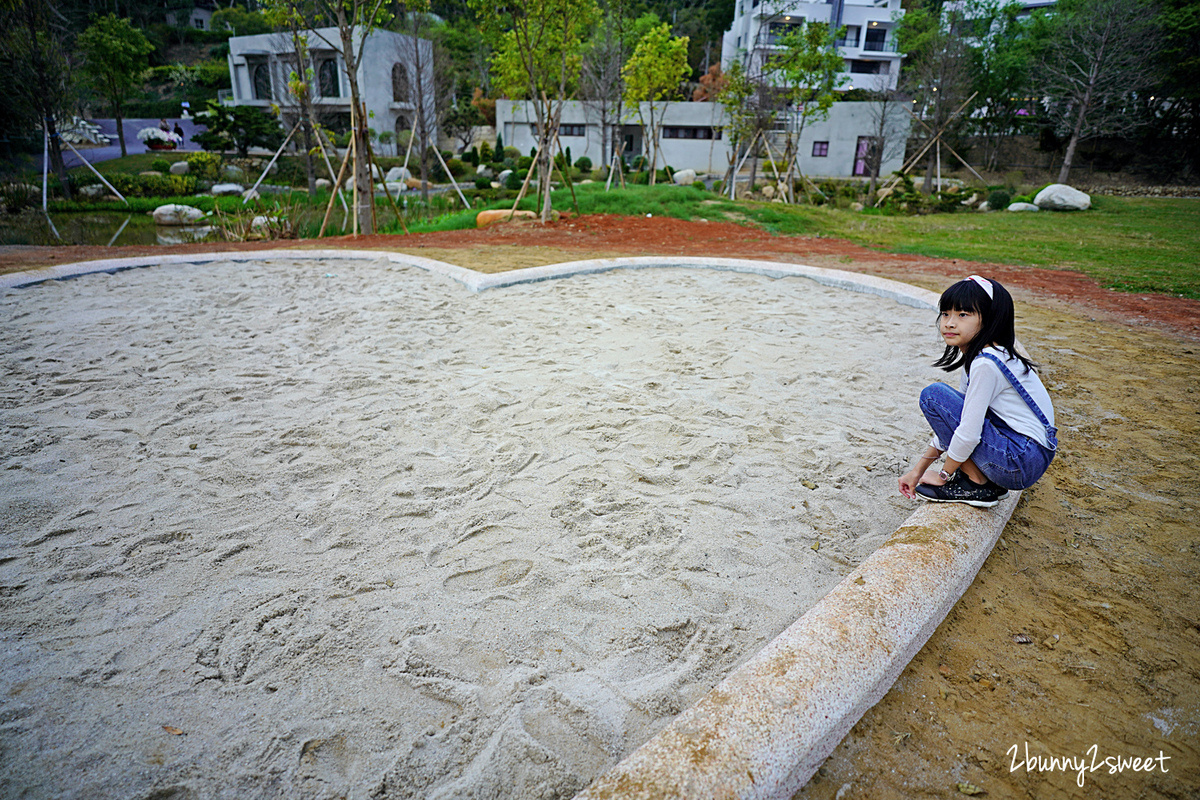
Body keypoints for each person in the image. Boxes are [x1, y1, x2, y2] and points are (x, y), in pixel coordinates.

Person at [899, 275, 1057, 508]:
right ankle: (979, 480)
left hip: (1018, 460)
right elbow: (957, 421)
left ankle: (976, 483)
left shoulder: (986, 364)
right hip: (1025, 456)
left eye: (963, 315)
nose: (950, 323)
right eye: (945, 314)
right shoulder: (986, 356)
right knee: (946, 402)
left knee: (933, 396)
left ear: (989, 320)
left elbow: (968, 432)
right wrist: (917, 471)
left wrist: (943, 476)